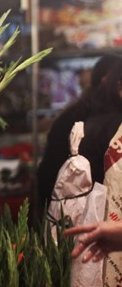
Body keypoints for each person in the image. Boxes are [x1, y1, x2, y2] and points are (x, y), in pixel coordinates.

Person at [37, 54, 122, 212]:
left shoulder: (75, 112)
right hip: (86, 215)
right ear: (111, 83)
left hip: (60, 208)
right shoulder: (107, 124)